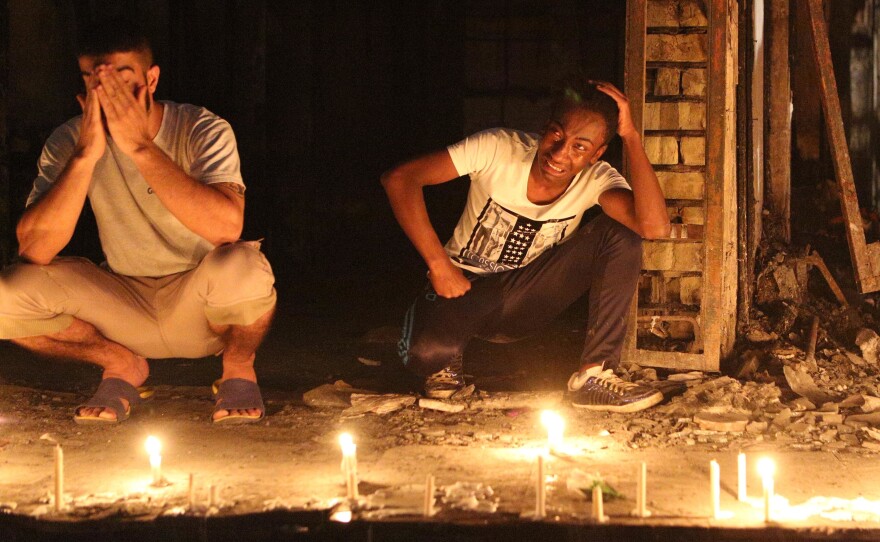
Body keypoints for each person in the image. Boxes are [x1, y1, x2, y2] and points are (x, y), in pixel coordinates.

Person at [0, 18, 276, 424]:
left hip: (200, 306)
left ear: (151, 79)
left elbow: (226, 228)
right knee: (8, 292)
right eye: (96, 84)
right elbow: (35, 249)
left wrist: (140, 149)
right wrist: (85, 157)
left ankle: (237, 368)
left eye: (121, 80)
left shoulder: (201, 128)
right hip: (123, 304)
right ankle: (120, 365)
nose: (108, 95)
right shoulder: (69, 140)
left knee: (244, 266)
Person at [381, 78, 671, 413]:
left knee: (622, 232)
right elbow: (401, 179)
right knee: (424, 354)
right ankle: (447, 357)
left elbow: (653, 226)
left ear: (597, 154)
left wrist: (631, 136)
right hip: (462, 290)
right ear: (545, 128)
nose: (560, 153)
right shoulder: (498, 148)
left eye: (580, 147)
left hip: (524, 296)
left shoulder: (598, 178)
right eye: (556, 134)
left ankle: (593, 375)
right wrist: (438, 264)